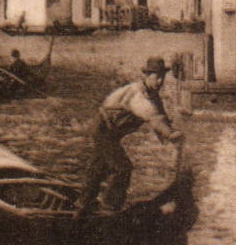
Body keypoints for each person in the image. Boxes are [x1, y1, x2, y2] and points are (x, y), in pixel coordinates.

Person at [75, 58, 184, 217]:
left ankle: (82, 207)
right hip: (103, 130)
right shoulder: (138, 95)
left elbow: (162, 118)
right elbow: (155, 119)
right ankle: (109, 209)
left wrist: (173, 133)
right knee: (122, 167)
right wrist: (171, 135)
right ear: (146, 76)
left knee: (98, 167)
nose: (160, 81)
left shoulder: (152, 95)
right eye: (156, 77)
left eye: (162, 77)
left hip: (112, 133)